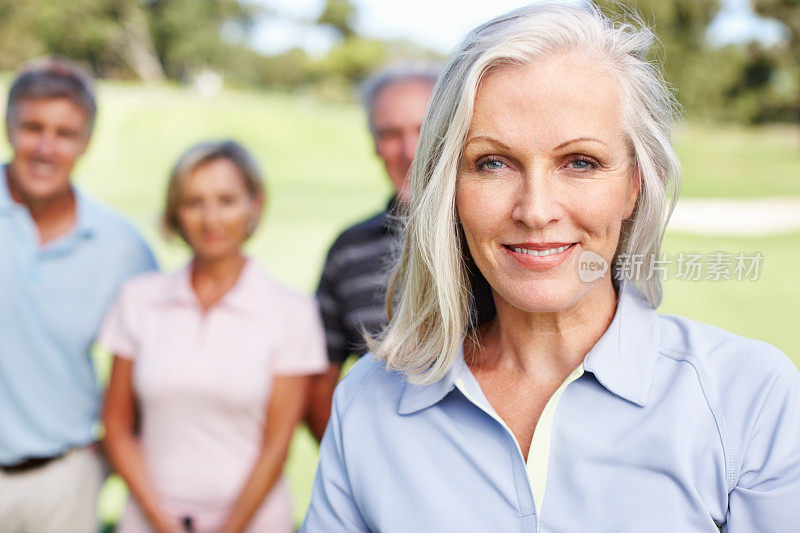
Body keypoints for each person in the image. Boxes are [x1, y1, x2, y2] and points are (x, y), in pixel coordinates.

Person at [302, 3, 800, 532]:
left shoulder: (750, 398)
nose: (536, 210)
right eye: (492, 163)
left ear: (634, 184)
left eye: (580, 162)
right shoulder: (368, 404)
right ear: (449, 188)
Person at [100, 141, 327, 533]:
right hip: (148, 520)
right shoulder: (138, 300)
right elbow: (117, 427)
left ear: (254, 205)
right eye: (193, 202)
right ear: (175, 211)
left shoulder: (292, 312)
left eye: (226, 200)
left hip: (254, 523)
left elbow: (277, 446)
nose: (211, 219)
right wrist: (161, 522)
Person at [0, 58, 156, 532]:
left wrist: (106, 456)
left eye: (65, 133)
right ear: (8, 126)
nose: (46, 148)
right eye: (32, 127)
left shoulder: (121, 246)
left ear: (85, 142)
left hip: (63, 483)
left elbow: (161, 360)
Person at [307, 63, 439, 441]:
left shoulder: (501, 241)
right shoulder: (348, 250)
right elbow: (319, 380)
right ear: (374, 146)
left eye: (423, 129)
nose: (409, 150)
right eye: (390, 134)